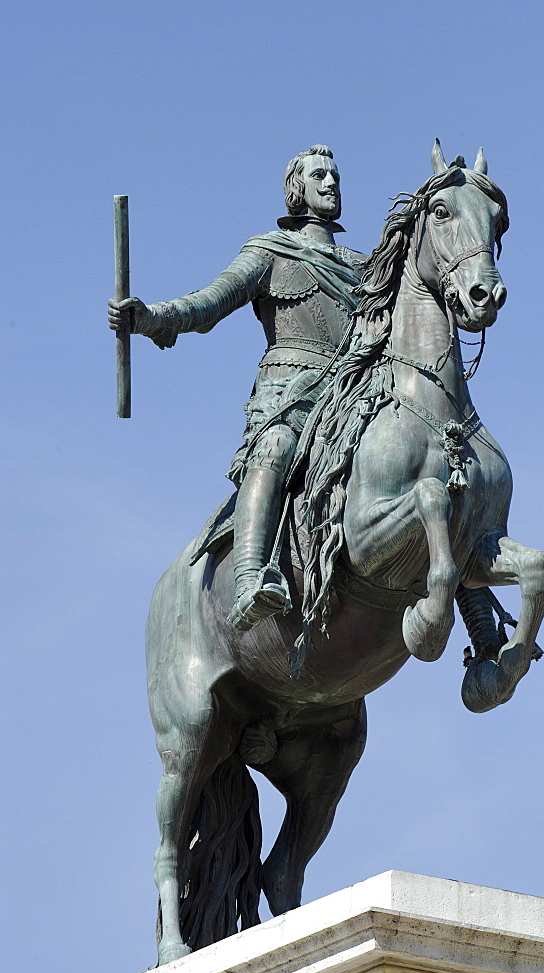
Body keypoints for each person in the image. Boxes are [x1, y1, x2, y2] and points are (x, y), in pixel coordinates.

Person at [108, 145, 366, 631]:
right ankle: (249, 581)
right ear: (298, 189)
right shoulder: (270, 252)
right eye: (319, 175)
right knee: (275, 448)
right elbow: (210, 302)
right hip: (291, 392)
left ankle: (476, 613)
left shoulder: (363, 265)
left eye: (336, 175)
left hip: (352, 390)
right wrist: (151, 318)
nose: (332, 183)